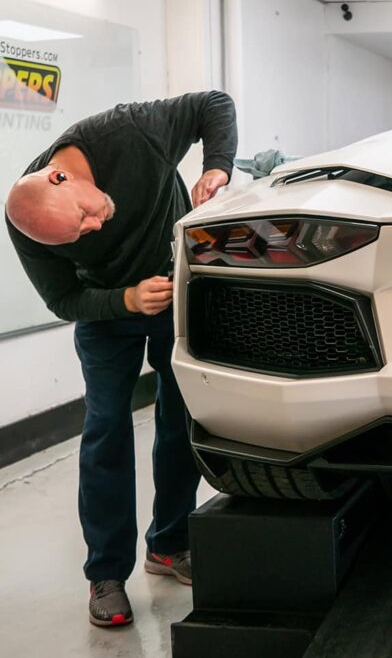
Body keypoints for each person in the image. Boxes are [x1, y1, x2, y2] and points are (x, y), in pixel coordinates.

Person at [4, 91, 237, 627]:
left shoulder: (132, 132)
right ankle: (105, 573)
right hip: (109, 312)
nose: (91, 229)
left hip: (175, 293)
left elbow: (214, 105)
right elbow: (64, 299)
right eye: (78, 235)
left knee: (180, 420)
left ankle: (169, 543)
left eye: (83, 217)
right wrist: (126, 300)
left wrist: (217, 167)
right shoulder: (30, 222)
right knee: (106, 427)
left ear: (61, 177)